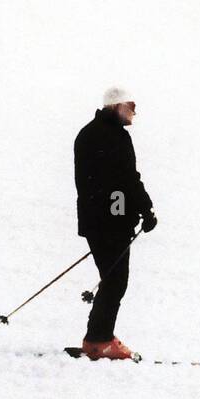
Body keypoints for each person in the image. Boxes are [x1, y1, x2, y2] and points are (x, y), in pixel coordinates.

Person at [73, 87, 158, 360]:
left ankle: (97, 338)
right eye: (130, 105)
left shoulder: (90, 133)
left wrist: (132, 212)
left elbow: (114, 185)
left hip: (98, 221)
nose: (134, 111)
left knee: (112, 280)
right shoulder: (114, 138)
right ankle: (99, 341)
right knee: (115, 282)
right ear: (115, 106)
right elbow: (125, 181)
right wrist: (144, 210)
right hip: (110, 223)